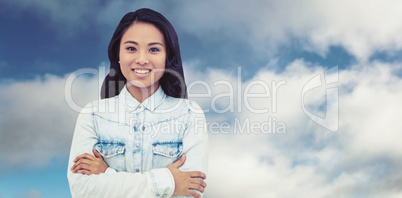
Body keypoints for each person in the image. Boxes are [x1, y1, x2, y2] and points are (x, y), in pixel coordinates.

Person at [67, 8, 208, 198]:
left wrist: (107, 174)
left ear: (167, 57)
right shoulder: (93, 114)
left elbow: (191, 191)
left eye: (154, 49)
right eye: (131, 48)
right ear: (118, 54)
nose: (142, 59)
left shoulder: (189, 114)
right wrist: (168, 181)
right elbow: (81, 190)